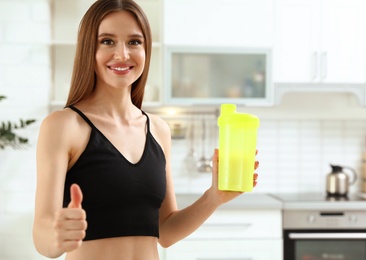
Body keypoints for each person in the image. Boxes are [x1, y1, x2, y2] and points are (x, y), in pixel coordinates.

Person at [32, 0, 259, 259]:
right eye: (107, 41)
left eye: (134, 42)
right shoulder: (64, 126)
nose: (122, 55)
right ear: (88, 49)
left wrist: (213, 197)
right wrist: (58, 235)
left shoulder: (158, 130)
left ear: (146, 50)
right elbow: (42, 237)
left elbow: (166, 232)